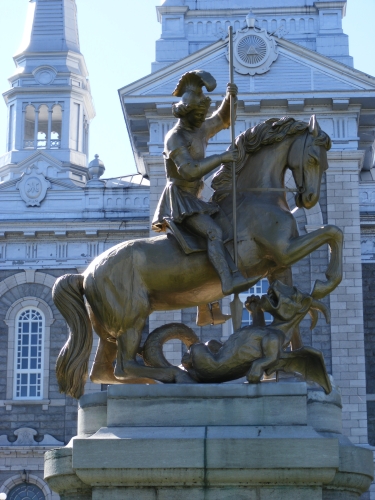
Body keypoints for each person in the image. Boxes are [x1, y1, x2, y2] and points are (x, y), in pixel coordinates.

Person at [152, 70, 251, 296]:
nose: (202, 119)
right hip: (180, 200)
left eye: (203, 113)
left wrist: (230, 99)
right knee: (214, 233)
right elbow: (188, 170)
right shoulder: (175, 138)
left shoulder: (200, 128)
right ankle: (228, 281)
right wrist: (222, 158)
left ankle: (208, 302)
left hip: (195, 197)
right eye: (198, 114)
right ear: (186, 113)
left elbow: (223, 120)